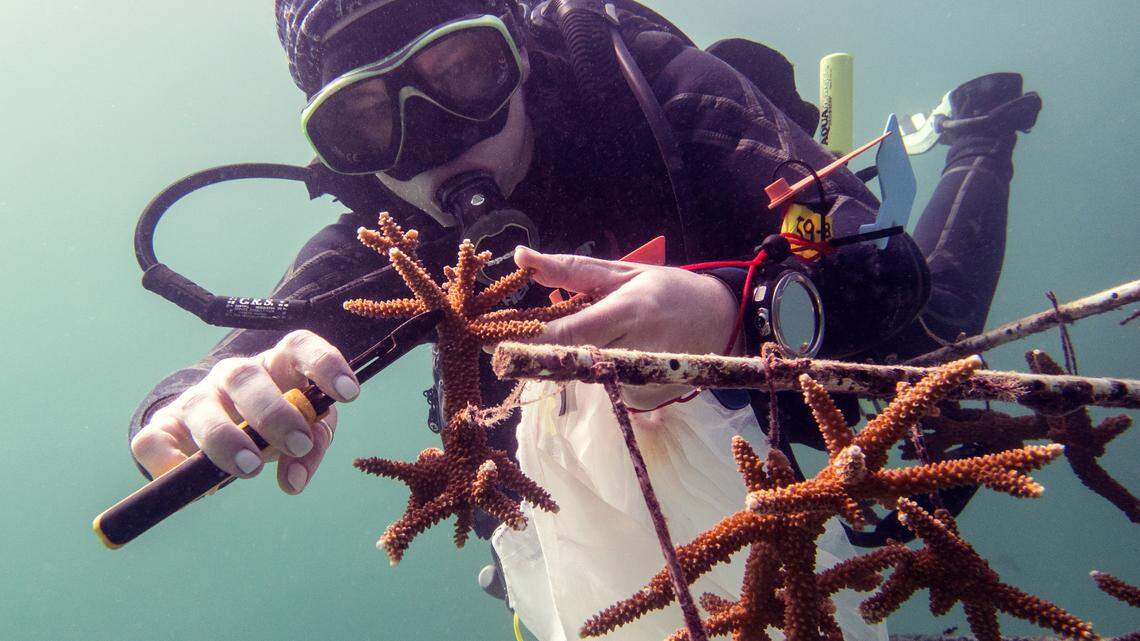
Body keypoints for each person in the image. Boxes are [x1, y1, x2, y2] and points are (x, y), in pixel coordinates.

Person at [127, 0, 1041, 635]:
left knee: (933, 408)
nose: (441, 138)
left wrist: (727, 309)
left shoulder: (623, 73)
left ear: (518, 46)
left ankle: (976, 136)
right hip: (582, 458)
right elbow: (258, 351)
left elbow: (870, 261)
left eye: (462, 71)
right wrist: (195, 400)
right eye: (370, 121)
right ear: (343, 150)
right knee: (534, 527)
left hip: (771, 316)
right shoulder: (391, 232)